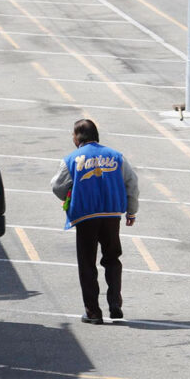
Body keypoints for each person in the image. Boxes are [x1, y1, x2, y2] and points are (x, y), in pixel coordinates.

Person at [50, 119, 139, 325]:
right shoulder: (117, 157)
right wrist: (131, 212)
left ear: (77, 137)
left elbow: (57, 186)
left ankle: (93, 312)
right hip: (111, 216)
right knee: (112, 258)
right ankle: (115, 303)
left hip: (86, 217)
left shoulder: (71, 159)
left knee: (87, 263)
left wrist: (70, 195)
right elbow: (132, 183)